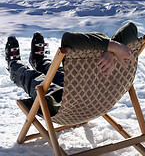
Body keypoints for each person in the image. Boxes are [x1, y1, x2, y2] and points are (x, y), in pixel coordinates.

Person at [5, 22, 138, 117]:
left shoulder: (115, 50)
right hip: (95, 101)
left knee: (34, 77)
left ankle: (14, 66)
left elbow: (69, 39)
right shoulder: (124, 56)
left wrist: (112, 47)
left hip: (62, 106)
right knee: (58, 72)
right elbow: (131, 28)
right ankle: (40, 62)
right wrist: (113, 51)